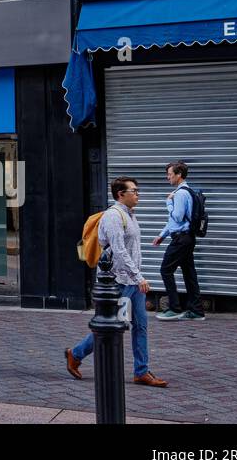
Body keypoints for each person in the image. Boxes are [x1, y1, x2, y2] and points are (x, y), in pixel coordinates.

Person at [65, 176, 167, 388]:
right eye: (134, 191)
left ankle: (141, 371)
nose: (138, 194)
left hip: (132, 280)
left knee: (141, 325)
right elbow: (119, 252)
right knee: (112, 326)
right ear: (121, 194)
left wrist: (137, 276)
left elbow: (131, 250)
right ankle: (75, 353)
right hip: (118, 282)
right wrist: (139, 277)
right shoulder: (113, 217)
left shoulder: (130, 215)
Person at [153, 160, 203, 320]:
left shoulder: (180, 194)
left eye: (169, 174)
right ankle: (196, 311)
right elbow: (175, 222)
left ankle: (174, 308)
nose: (168, 178)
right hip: (187, 238)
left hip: (181, 240)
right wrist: (162, 235)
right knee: (189, 273)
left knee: (165, 270)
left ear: (178, 175)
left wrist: (168, 202)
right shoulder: (188, 191)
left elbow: (177, 217)